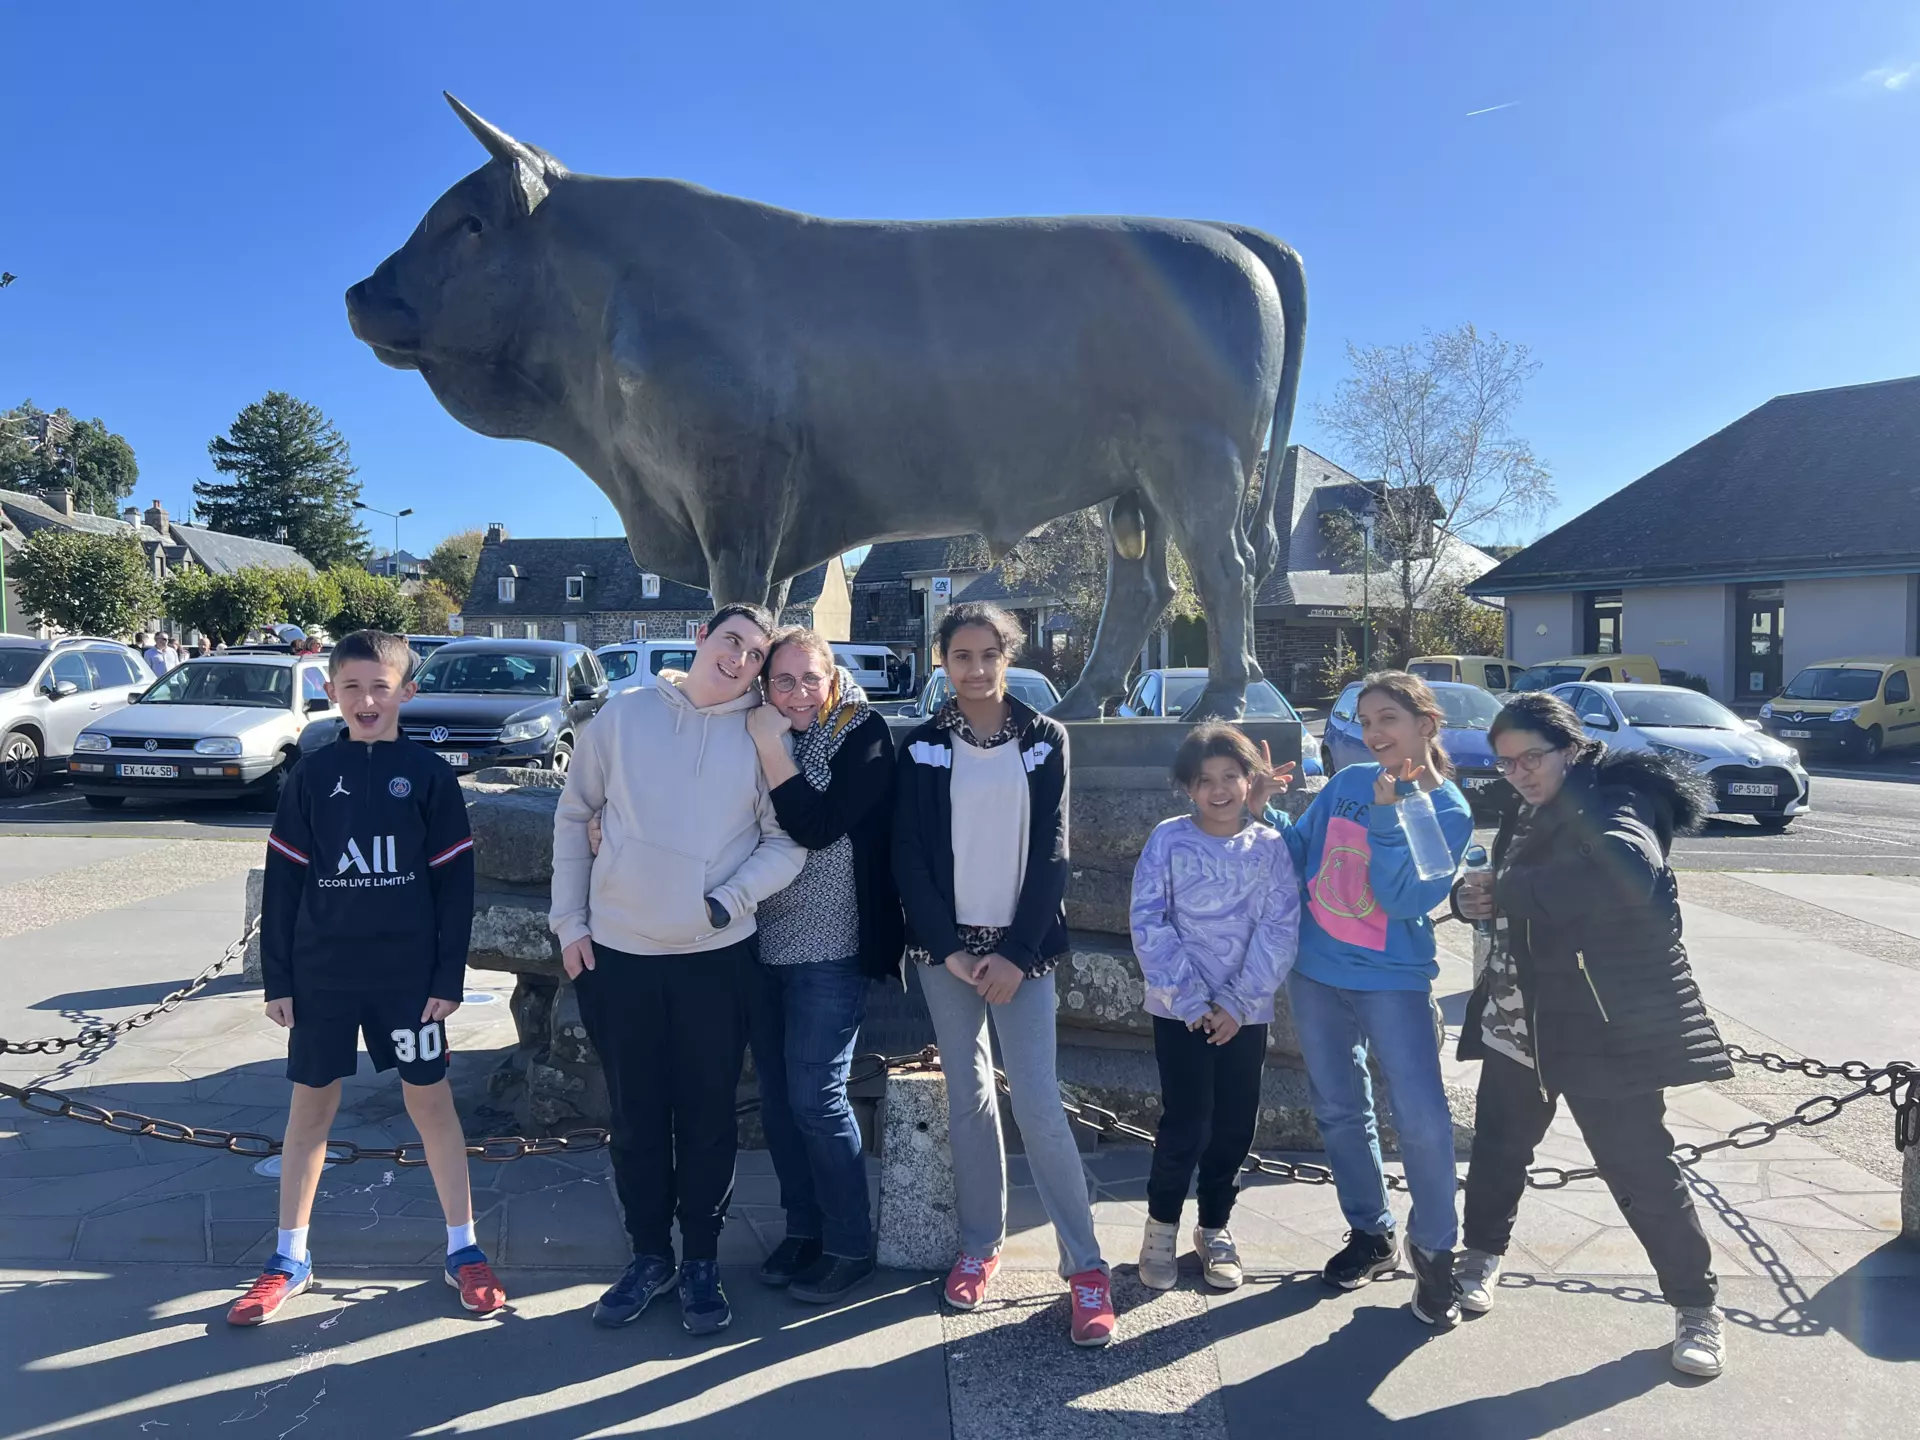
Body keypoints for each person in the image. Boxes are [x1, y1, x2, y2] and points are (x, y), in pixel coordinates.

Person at [1452, 691, 1732, 1377]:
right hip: (1521, 1018)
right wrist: (1472, 898)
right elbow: (1512, 888)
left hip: (1603, 1026)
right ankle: (1479, 1259)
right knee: (1497, 1149)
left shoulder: (1616, 800)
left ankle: (1697, 1308)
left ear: (1573, 748)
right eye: (1505, 763)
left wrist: (1510, 889)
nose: (1518, 773)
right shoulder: (1532, 803)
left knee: (1639, 1167)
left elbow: (1627, 870)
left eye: (1531, 758)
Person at [231, 629, 499, 1325]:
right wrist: (277, 978)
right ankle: (290, 1256)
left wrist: (448, 975)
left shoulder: (431, 776)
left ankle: (463, 1248)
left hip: (408, 982)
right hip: (323, 977)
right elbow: (286, 883)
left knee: (430, 1104)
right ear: (330, 692)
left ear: (407, 691)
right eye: (351, 686)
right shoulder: (314, 773)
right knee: (310, 1109)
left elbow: (455, 887)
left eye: (381, 685)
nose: (367, 699)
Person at [551, 603, 804, 1336]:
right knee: (633, 1119)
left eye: (756, 655)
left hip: (714, 962)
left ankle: (700, 1262)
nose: (741, 660)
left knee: (706, 1120)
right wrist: (569, 923)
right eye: (733, 642)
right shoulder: (623, 718)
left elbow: (785, 842)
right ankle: (648, 1257)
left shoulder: (762, 736)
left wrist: (729, 899)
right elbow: (575, 815)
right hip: (620, 957)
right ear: (701, 638)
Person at [892, 600, 1116, 1348]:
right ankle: (979, 1246)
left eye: (990, 654)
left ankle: (1085, 1268)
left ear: (1009, 658)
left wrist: (1016, 954)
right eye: (962, 656)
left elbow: (1053, 852)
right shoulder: (921, 746)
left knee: (1041, 1104)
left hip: (1025, 953)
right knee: (970, 1098)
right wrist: (951, 951)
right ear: (942, 662)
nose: (977, 669)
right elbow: (909, 859)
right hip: (945, 953)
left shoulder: (1045, 739)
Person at [1257, 670, 1473, 1328]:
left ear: (1424, 726)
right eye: (1365, 720)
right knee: (1339, 1109)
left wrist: (1389, 811)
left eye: (1389, 720)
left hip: (1393, 983)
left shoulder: (1447, 810)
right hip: (1316, 973)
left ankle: (1436, 1253)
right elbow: (1298, 854)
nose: (1374, 732)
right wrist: (1264, 806)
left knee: (1422, 1119)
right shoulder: (1349, 783)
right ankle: (1371, 1234)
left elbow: (1407, 897)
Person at [744, 627, 902, 1302]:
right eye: (785, 681)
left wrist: (767, 746)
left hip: (831, 945)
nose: (801, 693)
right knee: (779, 1103)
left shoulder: (863, 732)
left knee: (817, 1097)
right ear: (765, 686)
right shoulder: (762, 727)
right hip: (761, 941)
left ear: (833, 678)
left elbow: (817, 825)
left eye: (812, 678)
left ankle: (847, 1242)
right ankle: (803, 1230)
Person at [1130, 723, 1300, 1292]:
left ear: (1249, 781)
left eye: (1231, 776)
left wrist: (1235, 1003)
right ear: (1188, 788)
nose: (1220, 789)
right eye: (1206, 780)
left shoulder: (1270, 848)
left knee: (1233, 1122)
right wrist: (1194, 1001)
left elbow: (1279, 929)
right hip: (1180, 1010)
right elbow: (1149, 921)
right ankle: (1160, 1227)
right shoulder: (1168, 840)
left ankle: (1215, 1225)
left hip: (1243, 1013)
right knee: (1186, 1120)